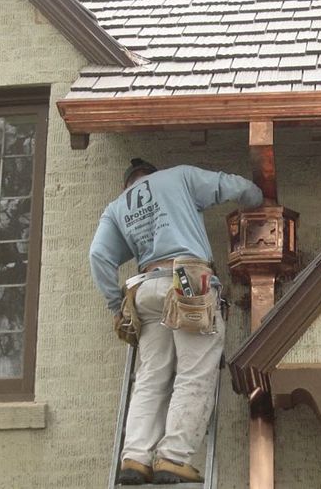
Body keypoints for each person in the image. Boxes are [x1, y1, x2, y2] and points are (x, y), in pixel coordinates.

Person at [89, 158, 263, 484]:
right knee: (195, 372)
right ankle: (173, 457)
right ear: (153, 176)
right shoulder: (178, 178)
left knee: (151, 377)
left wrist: (117, 306)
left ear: (128, 184)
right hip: (186, 281)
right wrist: (259, 200)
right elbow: (233, 185)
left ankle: (135, 457)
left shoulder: (117, 208)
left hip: (146, 289)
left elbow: (98, 256)